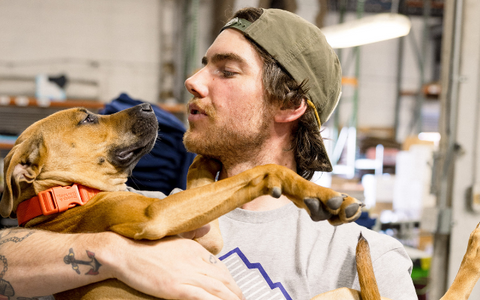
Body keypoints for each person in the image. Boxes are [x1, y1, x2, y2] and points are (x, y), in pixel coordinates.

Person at [0, 7, 416, 300]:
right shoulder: (140, 210)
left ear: (290, 106)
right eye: (203, 65)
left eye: (226, 70)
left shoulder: (359, 254)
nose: (193, 80)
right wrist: (113, 254)